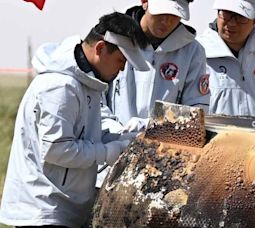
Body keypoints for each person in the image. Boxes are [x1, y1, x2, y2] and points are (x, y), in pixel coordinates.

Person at [0, 12, 148, 227]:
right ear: (99, 49)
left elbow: (89, 135)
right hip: (43, 211)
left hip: (63, 209)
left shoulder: (88, 82)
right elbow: (56, 149)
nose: (123, 69)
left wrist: (127, 139)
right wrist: (109, 152)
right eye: (120, 60)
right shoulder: (60, 86)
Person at [98, 0, 210, 185]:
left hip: (163, 169)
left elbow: (196, 115)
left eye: (174, 15)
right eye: (161, 13)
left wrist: (152, 126)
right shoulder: (114, 37)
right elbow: (95, 101)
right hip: (108, 161)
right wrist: (116, 131)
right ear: (145, 2)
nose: (166, 21)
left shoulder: (193, 52)